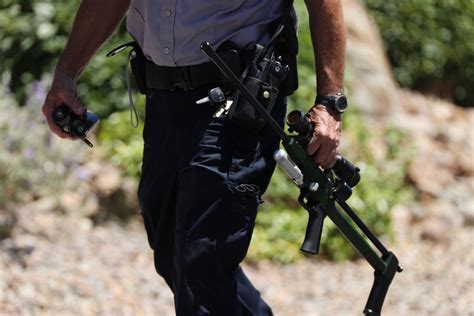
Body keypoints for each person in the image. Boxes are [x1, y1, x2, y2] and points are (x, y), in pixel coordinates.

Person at [42, 0, 346, 315]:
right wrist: (67, 72)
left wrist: (330, 102)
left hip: (239, 97)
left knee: (202, 258)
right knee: (173, 251)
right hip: (164, 99)